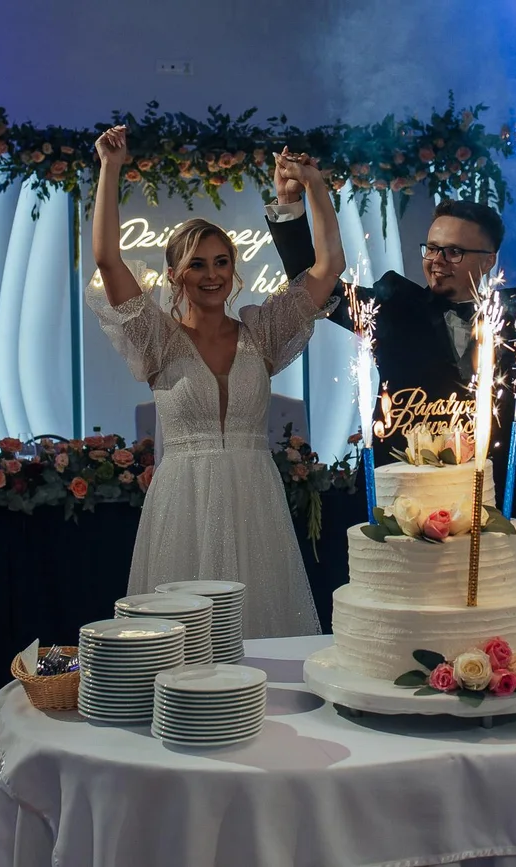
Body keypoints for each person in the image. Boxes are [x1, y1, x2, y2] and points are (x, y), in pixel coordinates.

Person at [86, 127, 345, 638]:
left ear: (233, 270)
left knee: (261, 631)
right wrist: (110, 168)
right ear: (175, 274)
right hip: (184, 502)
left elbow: (329, 266)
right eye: (197, 264)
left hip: (255, 499)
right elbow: (107, 259)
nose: (212, 275)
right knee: (179, 639)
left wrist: (315, 186)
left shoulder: (262, 332)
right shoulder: (157, 339)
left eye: (221, 262)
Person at [265, 157, 516, 488]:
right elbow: (311, 286)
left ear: (489, 260)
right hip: (397, 496)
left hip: (482, 500)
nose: (437, 261)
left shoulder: (513, 321)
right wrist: (289, 204)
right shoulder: (391, 307)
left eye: (454, 251)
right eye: (432, 248)